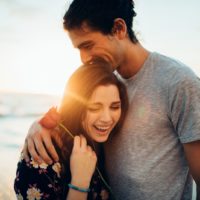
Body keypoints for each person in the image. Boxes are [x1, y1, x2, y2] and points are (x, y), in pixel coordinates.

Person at [21, 0, 200, 199]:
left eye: (88, 45)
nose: (84, 58)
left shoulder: (179, 82)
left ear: (118, 28)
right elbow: (73, 114)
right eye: (78, 49)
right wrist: (40, 125)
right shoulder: (107, 81)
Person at [14, 59, 128, 200]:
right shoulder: (42, 155)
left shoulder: (106, 141)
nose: (107, 118)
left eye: (115, 107)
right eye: (94, 108)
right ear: (76, 107)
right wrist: (80, 181)